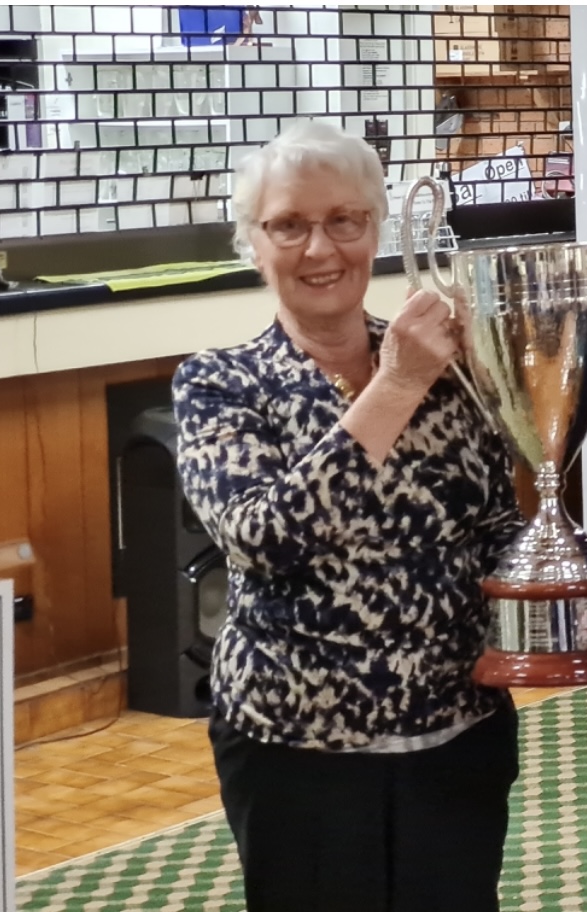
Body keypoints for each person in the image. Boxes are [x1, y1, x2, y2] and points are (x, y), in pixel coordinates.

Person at [172, 119, 523, 912]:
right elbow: (265, 536)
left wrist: (537, 626)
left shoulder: (446, 364)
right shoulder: (220, 385)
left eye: (345, 221)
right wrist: (394, 386)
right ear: (252, 244)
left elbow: (495, 521)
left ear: (376, 229)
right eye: (288, 225)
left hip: (457, 733)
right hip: (298, 748)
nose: (321, 249)